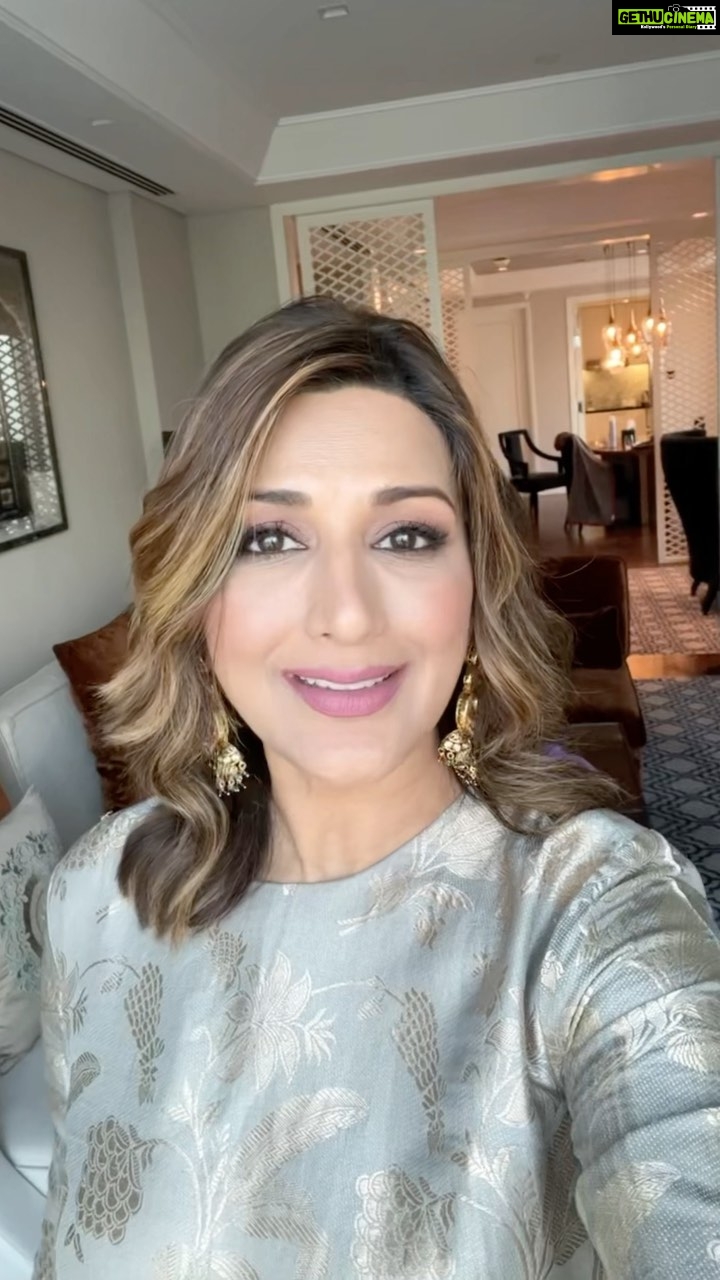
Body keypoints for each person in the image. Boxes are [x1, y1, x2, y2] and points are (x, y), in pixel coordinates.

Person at [34, 297, 720, 1280]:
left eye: (404, 535)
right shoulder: (98, 893)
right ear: (195, 591)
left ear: (475, 580)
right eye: (270, 538)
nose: (347, 614)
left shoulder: (593, 908)